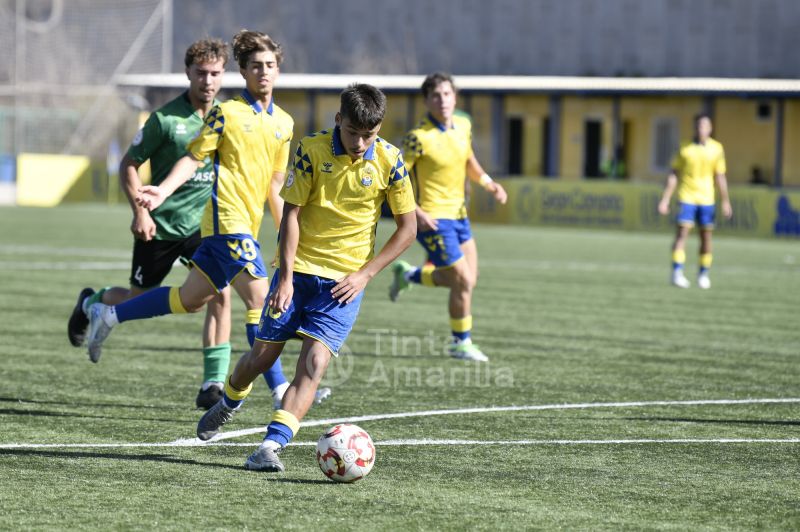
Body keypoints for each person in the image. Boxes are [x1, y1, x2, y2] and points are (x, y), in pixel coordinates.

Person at [84, 30, 328, 410]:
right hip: (223, 223)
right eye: (255, 66)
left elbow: (276, 181)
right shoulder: (226, 113)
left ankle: (109, 314)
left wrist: (286, 228)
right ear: (244, 72)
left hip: (246, 223)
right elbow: (195, 157)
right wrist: (161, 192)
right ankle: (280, 391)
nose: (263, 72)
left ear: (279, 70)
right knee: (262, 297)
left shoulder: (284, 122)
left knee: (190, 298)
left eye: (270, 66)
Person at [194, 83, 417, 473]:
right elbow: (291, 215)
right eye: (353, 133)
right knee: (262, 357)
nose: (360, 142)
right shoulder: (311, 150)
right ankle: (229, 400)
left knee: (314, 364)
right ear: (338, 121)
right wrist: (285, 278)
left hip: (344, 284)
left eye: (370, 134)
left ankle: (269, 447)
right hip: (298, 273)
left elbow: (408, 228)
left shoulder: (391, 160)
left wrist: (365, 275)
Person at [66, 38, 232, 409]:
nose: (208, 81)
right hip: (161, 226)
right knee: (139, 300)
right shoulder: (165, 120)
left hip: (203, 228)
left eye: (215, 74)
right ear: (188, 73)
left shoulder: (227, 118)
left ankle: (212, 384)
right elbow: (128, 163)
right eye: (201, 73)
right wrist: (140, 212)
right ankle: (92, 301)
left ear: (224, 75)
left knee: (220, 294)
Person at [388, 72, 507, 362]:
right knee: (463, 280)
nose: (442, 100)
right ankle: (460, 343)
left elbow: (469, 160)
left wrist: (488, 182)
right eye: (436, 96)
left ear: (455, 97)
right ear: (427, 101)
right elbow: (396, 177)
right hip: (433, 219)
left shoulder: (463, 126)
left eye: (447, 94)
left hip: (460, 216)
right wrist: (416, 211)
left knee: (468, 280)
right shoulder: (418, 138)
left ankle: (410, 274)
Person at [658, 113, 732, 289]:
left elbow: (720, 176)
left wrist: (725, 201)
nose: (701, 129)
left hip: (707, 199)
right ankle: (676, 273)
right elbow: (673, 174)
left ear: (710, 128)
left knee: (706, 237)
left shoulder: (716, 149)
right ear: (695, 127)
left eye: (704, 126)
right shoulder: (685, 148)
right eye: (698, 125)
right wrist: (665, 199)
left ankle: (703, 274)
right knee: (682, 233)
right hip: (687, 196)